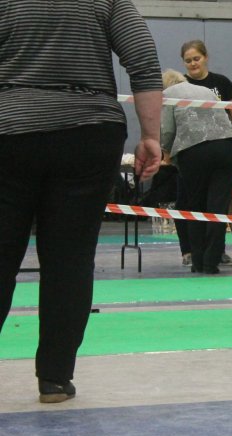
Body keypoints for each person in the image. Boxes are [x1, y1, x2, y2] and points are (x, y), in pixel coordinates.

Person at [0, 0, 162, 402]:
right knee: (70, 258)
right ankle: (55, 378)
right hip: (88, 131)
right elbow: (143, 60)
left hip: (9, 129)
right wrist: (151, 136)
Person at [160, 69, 232, 275]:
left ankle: (197, 261)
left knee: (194, 205)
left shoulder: (168, 94)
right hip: (227, 147)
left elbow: (167, 129)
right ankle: (211, 262)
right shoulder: (205, 90)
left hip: (194, 149)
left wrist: (166, 154)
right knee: (218, 208)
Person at [180, 39, 232, 267]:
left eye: (196, 58)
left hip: (222, 147)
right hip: (190, 151)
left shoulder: (221, 83)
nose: (193, 63)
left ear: (206, 57)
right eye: (188, 61)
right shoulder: (180, 85)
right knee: (188, 204)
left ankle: (216, 253)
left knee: (217, 205)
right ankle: (190, 253)